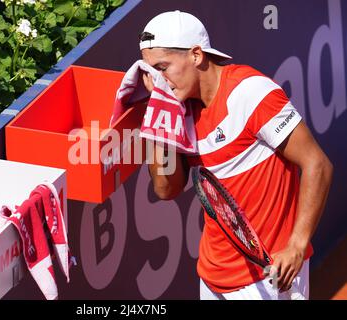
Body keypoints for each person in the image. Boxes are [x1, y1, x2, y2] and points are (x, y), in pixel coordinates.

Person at [140, 10, 333, 300]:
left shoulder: (250, 93)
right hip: (212, 278)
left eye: (163, 67)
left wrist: (296, 245)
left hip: (270, 278)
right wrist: (162, 119)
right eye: (152, 72)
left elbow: (318, 164)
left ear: (195, 55)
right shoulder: (179, 109)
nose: (159, 80)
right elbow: (166, 189)